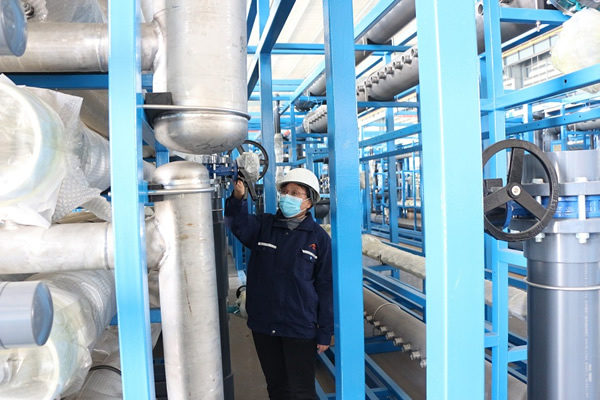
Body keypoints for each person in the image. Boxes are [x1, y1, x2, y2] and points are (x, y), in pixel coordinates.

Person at [225, 168, 333, 400]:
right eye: (285, 191)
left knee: (301, 392)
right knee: (277, 388)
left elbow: (326, 287)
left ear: (309, 201)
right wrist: (238, 198)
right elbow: (238, 224)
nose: (287, 197)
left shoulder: (318, 239)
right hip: (265, 324)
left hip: (299, 326)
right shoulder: (263, 226)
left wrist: (325, 331)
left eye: (295, 193)